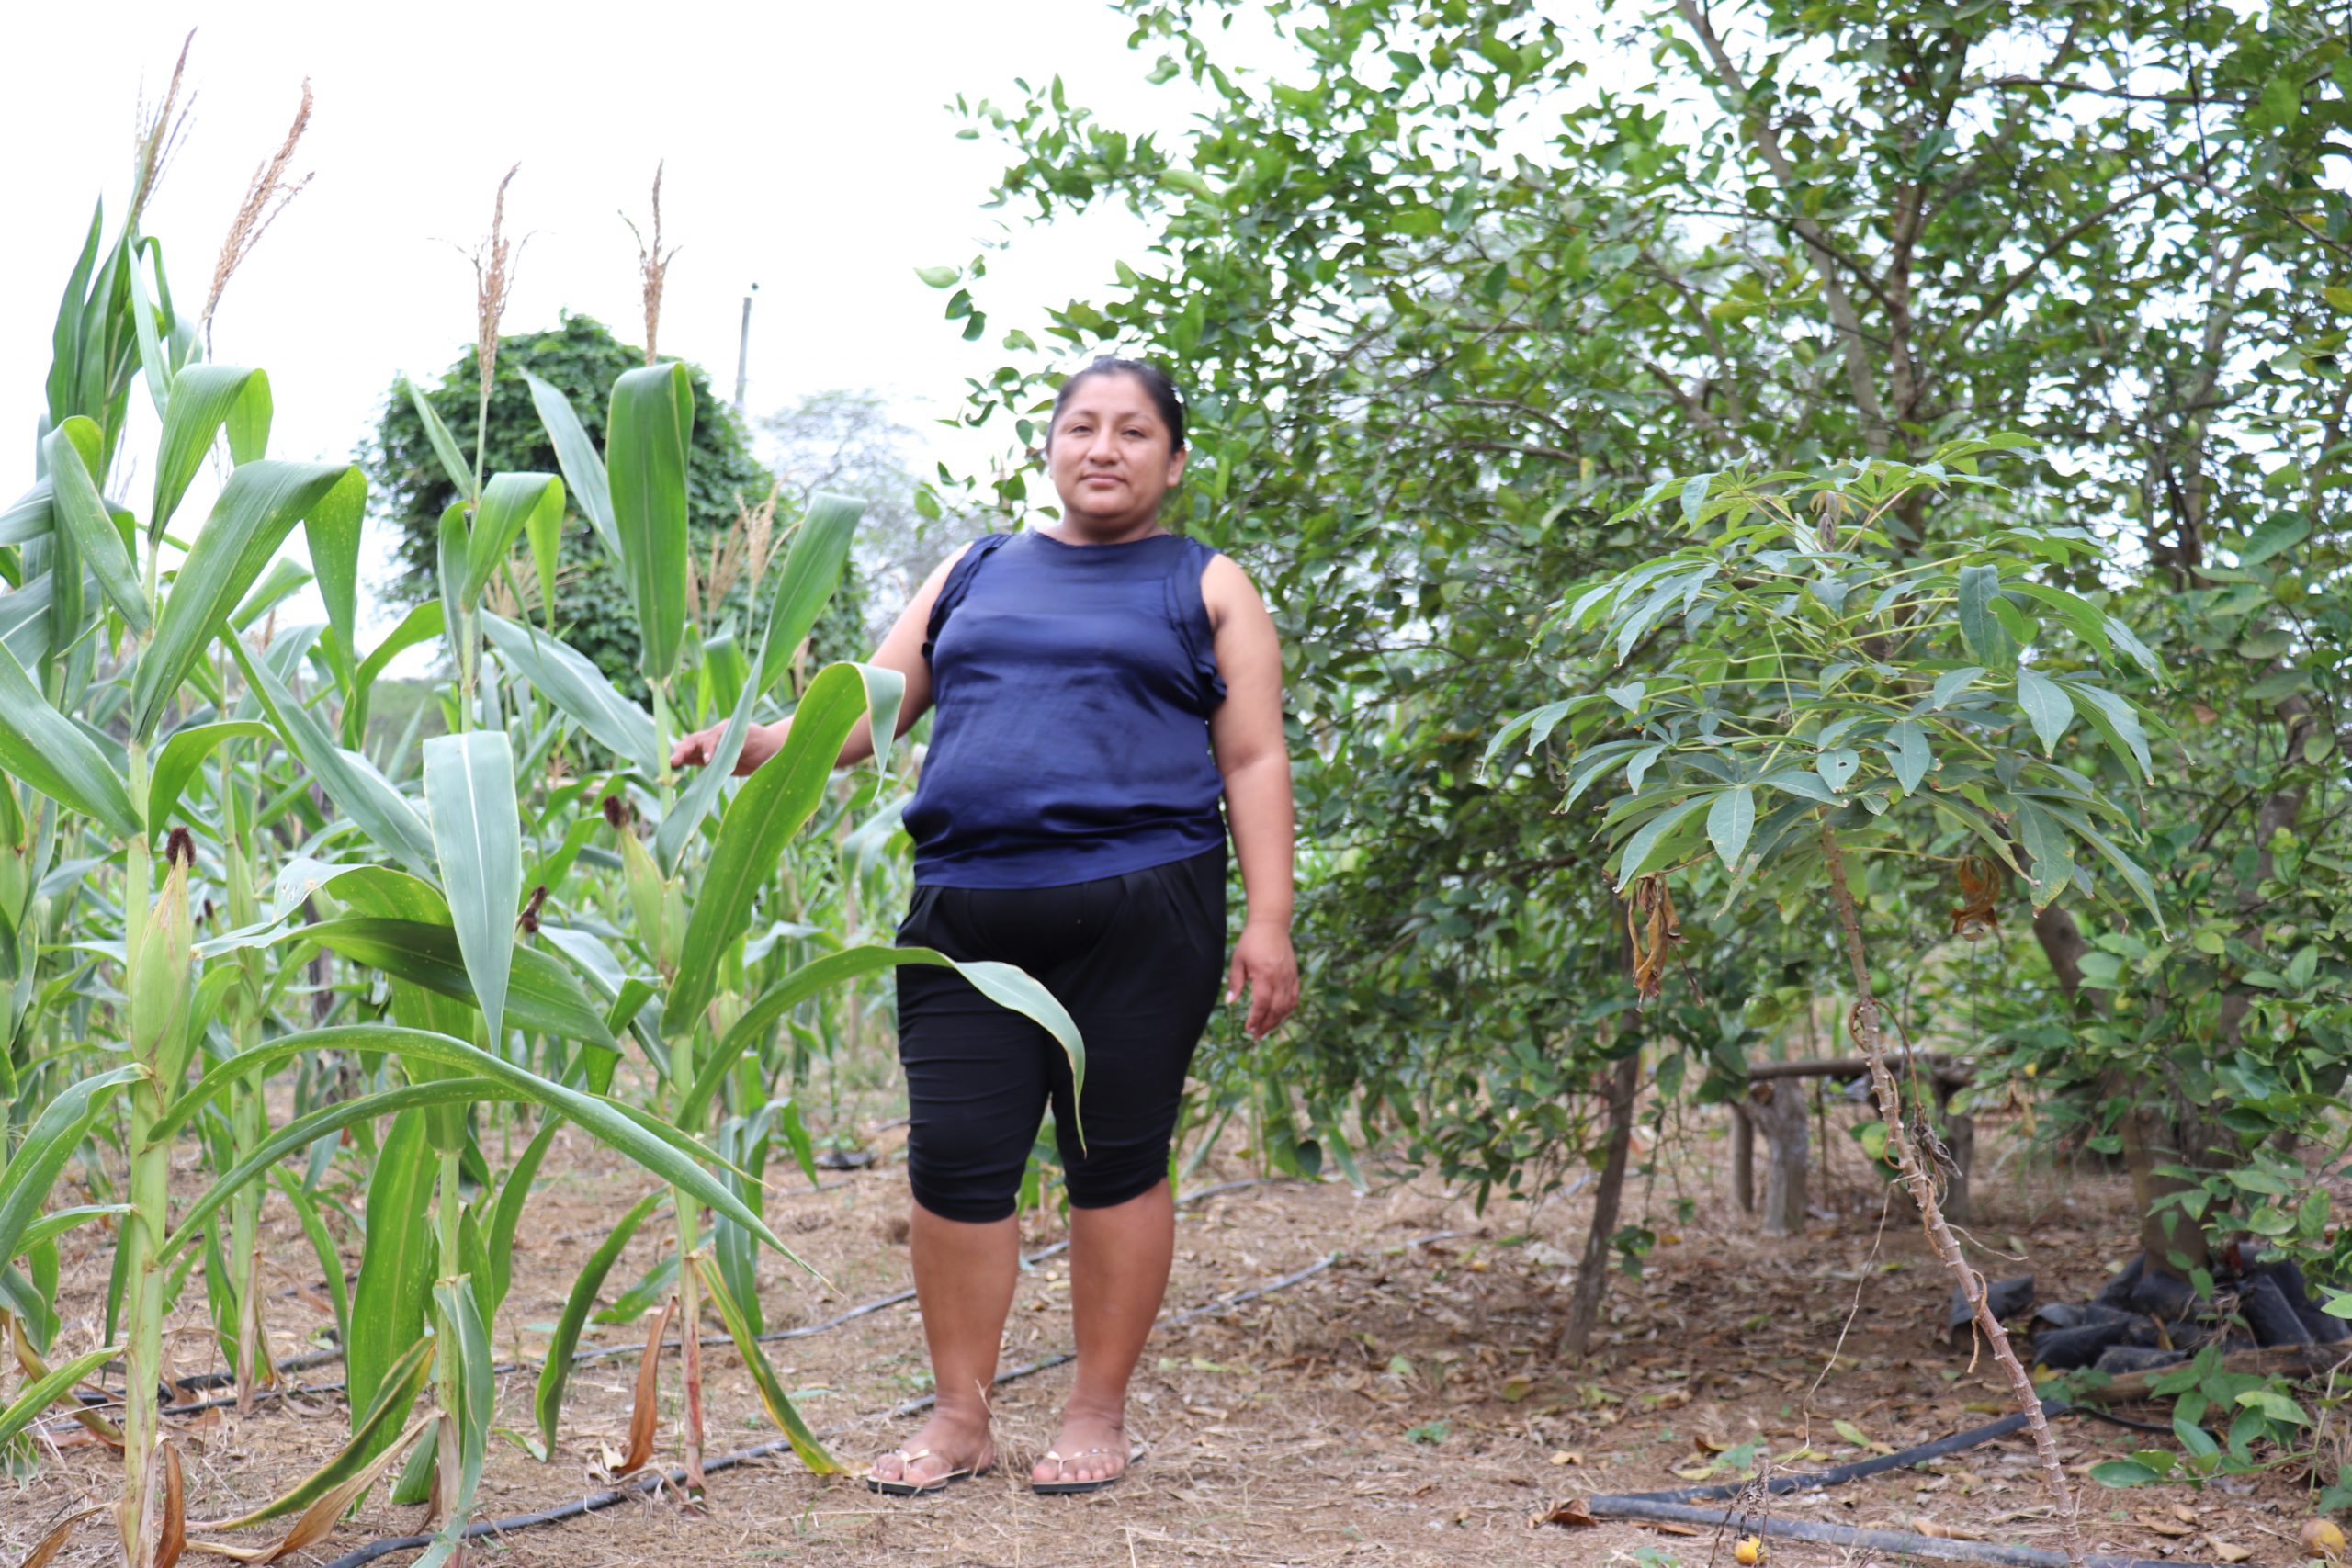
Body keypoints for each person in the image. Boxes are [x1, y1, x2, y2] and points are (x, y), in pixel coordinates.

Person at [671, 356, 1298, 1497]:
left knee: (1115, 1159)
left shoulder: (1206, 585)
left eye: (1132, 432)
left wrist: (1270, 922)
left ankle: (1094, 1414)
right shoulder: (974, 570)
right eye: (1081, 428)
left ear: (1174, 459)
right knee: (955, 1161)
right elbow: (872, 703)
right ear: (1050, 448)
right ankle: (958, 1417)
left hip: (1146, 906)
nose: (1102, 449)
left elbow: (1252, 758)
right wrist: (758, 742)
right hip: (964, 909)